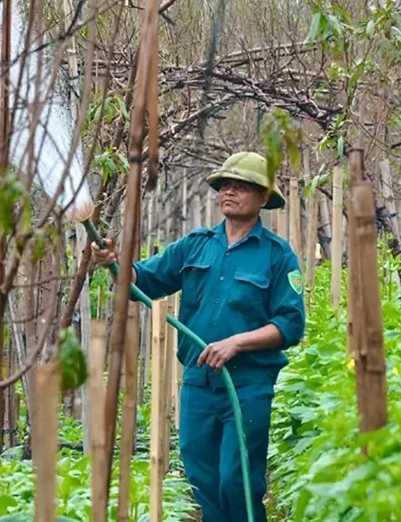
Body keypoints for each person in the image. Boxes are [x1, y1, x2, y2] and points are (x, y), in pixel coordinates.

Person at [91, 151, 307, 522]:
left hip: (248, 384)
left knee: (237, 479)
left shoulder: (277, 255)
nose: (229, 191)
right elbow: (144, 279)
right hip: (197, 382)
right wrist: (114, 263)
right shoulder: (195, 245)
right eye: (225, 184)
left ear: (262, 199)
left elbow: (290, 325)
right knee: (201, 477)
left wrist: (236, 342)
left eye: (241, 186)